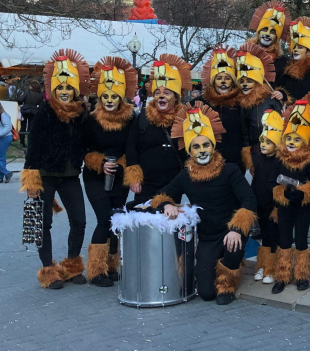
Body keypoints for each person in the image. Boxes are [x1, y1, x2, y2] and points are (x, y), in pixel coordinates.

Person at [152, 104, 257, 305]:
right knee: (207, 293)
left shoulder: (231, 170)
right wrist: (166, 204)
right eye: (196, 147)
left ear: (213, 146)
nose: (202, 151)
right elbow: (162, 194)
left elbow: (249, 199)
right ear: (190, 151)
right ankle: (221, 262)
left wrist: (236, 229)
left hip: (231, 231)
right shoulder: (185, 175)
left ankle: (229, 281)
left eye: (205, 145)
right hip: (208, 237)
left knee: (231, 253)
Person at [20, 50, 91, 289]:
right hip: (46, 177)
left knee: (79, 221)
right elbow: (33, 149)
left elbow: (87, 143)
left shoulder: (81, 115)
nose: (64, 92)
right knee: (43, 224)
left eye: (68, 88)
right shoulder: (44, 114)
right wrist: (31, 182)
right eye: (59, 88)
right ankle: (49, 270)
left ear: (74, 90)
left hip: (70, 177)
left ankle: (71, 266)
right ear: (53, 90)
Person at [82, 57, 138, 287]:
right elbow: (84, 150)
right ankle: (96, 271)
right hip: (95, 176)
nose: (109, 101)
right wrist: (101, 162)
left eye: (114, 96)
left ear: (122, 96)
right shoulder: (91, 119)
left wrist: (123, 166)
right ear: (99, 97)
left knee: (117, 218)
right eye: (105, 97)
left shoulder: (131, 119)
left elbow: (133, 147)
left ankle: (112, 265)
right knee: (104, 218)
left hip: (120, 175)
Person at [270, 95, 310, 293]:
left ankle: (302, 275)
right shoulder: (279, 159)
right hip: (284, 207)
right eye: (289, 139)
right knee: (284, 241)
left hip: (302, 207)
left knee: (301, 240)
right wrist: (282, 192)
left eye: (297, 139)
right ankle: (282, 276)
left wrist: (304, 193)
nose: (292, 143)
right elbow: (271, 181)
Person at [124, 54, 192, 206]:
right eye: (157, 93)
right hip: (146, 185)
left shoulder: (185, 119)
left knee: (170, 222)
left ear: (175, 97)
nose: (161, 97)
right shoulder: (142, 117)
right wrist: (134, 177)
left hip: (174, 183)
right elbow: (131, 147)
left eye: (167, 93)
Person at [235, 42, 282, 174]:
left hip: (275, 149)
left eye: (249, 81)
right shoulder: (243, 103)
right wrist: (248, 154)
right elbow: (245, 132)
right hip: (256, 150)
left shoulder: (271, 98)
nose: (244, 85)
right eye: (242, 81)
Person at [250, 109, 284, 285]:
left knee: (273, 235)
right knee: (264, 234)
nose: (263, 145)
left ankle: (273, 268)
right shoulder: (258, 158)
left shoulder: (279, 161)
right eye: (262, 141)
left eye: (269, 142)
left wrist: (277, 206)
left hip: (274, 205)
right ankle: (263, 265)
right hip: (260, 203)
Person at [201, 47, 248, 171]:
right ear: (213, 82)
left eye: (227, 78)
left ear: (232, 82)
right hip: (207, 163)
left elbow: (246, 134)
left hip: (234, 163)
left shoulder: (241, 104)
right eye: (219, 78)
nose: (223, 82)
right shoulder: (200, 103)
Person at [17, 80, 45, 147]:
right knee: (30, 128)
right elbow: (41, 106)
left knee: (23, 127)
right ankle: (30, 142)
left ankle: (22, 142)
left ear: (32, 86)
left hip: (25, 110)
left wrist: (22, 104)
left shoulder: (27, 92)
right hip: (34, 112)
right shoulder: (40, 95)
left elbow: (20, 99)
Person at [0, 102, 14, 183]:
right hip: (3, 137)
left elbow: (8, 127)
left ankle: (7, 173)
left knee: (1, 157)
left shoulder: (3, 115)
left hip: (5, 137)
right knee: (1, 158)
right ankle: (1, 176)